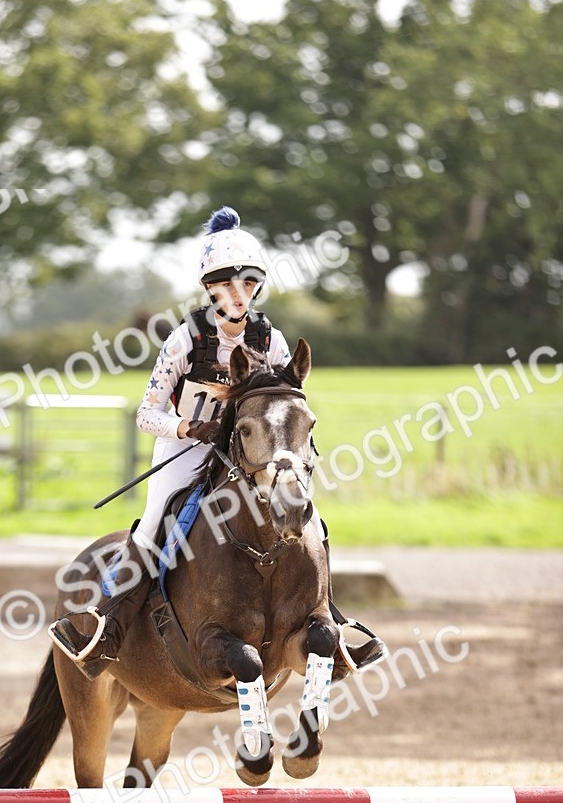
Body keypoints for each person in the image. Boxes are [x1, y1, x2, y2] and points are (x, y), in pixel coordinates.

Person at [49, 206, 384, 680]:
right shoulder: (184, 341)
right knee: (154, 524)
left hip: (251, 454)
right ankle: (106, 634)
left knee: (309, 520)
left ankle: (330, 622)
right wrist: (188, 429)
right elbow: (147, 413)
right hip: (184, 450)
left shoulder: (272, 340)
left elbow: (288, 399)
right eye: (229, 285)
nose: (239, 295)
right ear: (210, 288)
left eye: (249, 285)